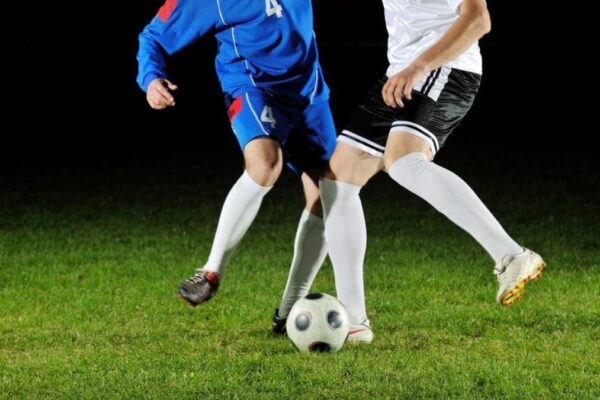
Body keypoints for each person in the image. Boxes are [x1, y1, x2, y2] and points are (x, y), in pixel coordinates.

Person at [277, 0, 546, 342]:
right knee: (338, 181)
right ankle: (355, 322)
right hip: (402, 73)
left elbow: (479, 18)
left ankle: (511, 256)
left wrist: (418, 67)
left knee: (404, 163)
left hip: (443, 67)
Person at [136, 0, 336, 323]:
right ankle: (211, 271)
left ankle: (289, 312)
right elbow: (153, 36)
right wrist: (150, 79)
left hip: (307, 92)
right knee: (265, 163)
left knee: (328, 196)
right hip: (253, 87)